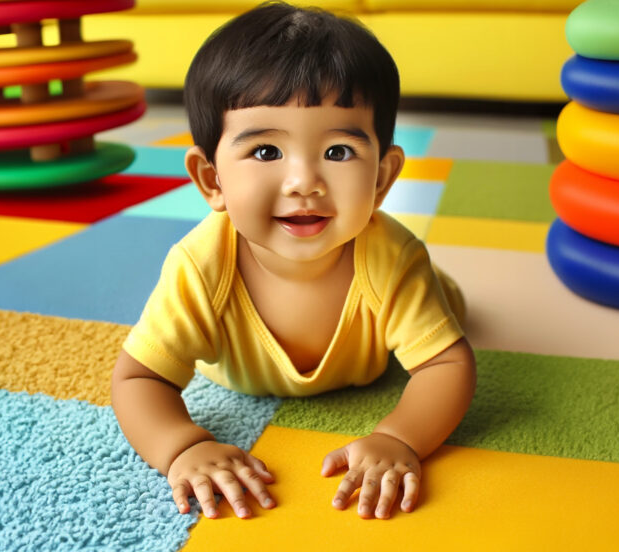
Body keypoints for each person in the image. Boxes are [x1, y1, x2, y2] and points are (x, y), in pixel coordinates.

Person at [111, 1, 476, 521]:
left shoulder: (393, 259)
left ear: (382, 178)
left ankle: (444, 291)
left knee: (450, 308)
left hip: (398, 308)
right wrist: (181, 446)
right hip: (238, 368)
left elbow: (446, 364)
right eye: (265, 152)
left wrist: (399, 437)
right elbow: (139, 380)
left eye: (338, 152)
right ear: (211, 180)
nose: (303, 181)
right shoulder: (200, 265)